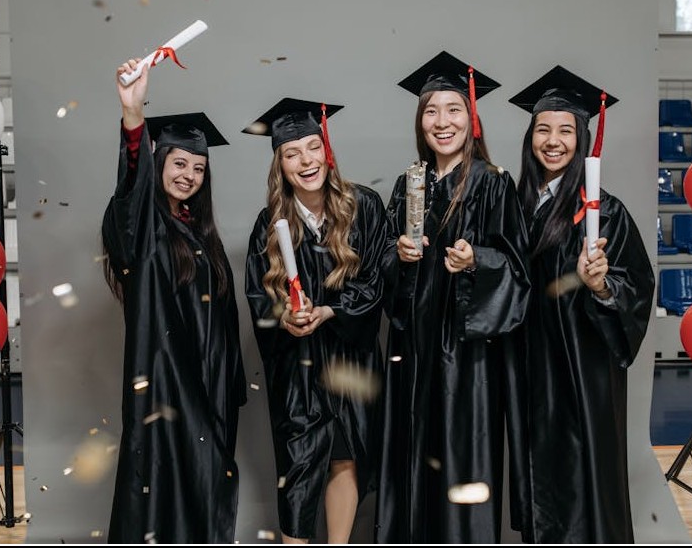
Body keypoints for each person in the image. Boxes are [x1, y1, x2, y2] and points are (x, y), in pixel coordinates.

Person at [376, 51, 531, 544]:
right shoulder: (408, 185)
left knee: (464, 457)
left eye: (453, 109)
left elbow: (518, 270)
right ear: (419, 121)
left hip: (468, 360)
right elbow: (381, 269)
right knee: (414, 452)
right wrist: (397, 255)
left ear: (472, 117)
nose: (442, 122)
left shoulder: (493, 183)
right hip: (414, 352)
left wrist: (476, 260)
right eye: (431, 111)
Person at [101, 59, 247, 544]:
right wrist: (133, 113)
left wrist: (229, 383)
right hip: (166, 386)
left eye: (198, 168)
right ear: (158, 162)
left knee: (207, 488)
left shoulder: (199, 232)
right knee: (165, 490)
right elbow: (131, 192)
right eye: (179, 163)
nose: (189, 175)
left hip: (211, 387)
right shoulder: (143, 228)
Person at [508, 65, 655, 543]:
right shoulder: (514, 204)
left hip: (580, 368)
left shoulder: (603, 211)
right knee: (538, 473)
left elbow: (637, 285)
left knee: (582, 473)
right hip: (529, 365)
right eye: (543, 129)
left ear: (583, 139)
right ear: (530, 137)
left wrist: (601, 286)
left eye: (566, 131)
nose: (553, 141)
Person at [243, 98, 387, 544]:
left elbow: (376, 281)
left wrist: (330, 311)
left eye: (313, 147)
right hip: (299, 368)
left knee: (346, 458)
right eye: (292, 153)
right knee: (299, 468)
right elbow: (258, 297)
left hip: (348, 360)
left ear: (327, 150)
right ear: (280, 165)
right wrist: (285, 316)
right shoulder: (269, 225)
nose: (306, 161)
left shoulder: (364, 206)